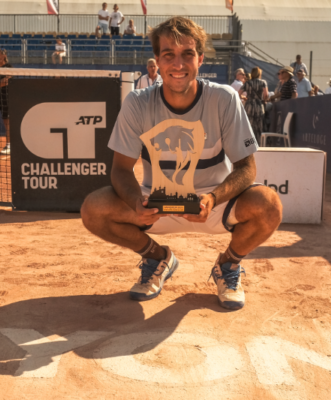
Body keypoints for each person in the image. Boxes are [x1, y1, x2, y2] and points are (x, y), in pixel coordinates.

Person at [80, 16, 283, 311]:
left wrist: (212, 198)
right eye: (169, 55)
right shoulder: (137, 103)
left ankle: (227, 266)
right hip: (156, 206)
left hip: (215, 204)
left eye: (187, 54)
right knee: (93, 209)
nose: (178, 64)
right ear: (157, 62)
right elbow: (121, 170)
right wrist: (138, 202)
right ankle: (156, 256)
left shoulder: (224, 99)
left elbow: (247, 169)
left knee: (269, 205)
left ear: (200, 59)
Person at [239, 66, 268, 143]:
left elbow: (238, 93)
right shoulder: (263, 82)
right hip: (259, 105)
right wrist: (264, 100)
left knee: (249, 124)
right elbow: (266, 95)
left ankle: (249, 143)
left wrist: (244, 97)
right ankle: (259, 143)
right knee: (259, 125)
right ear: (259, 74)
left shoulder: (247, 83)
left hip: (249, 105)